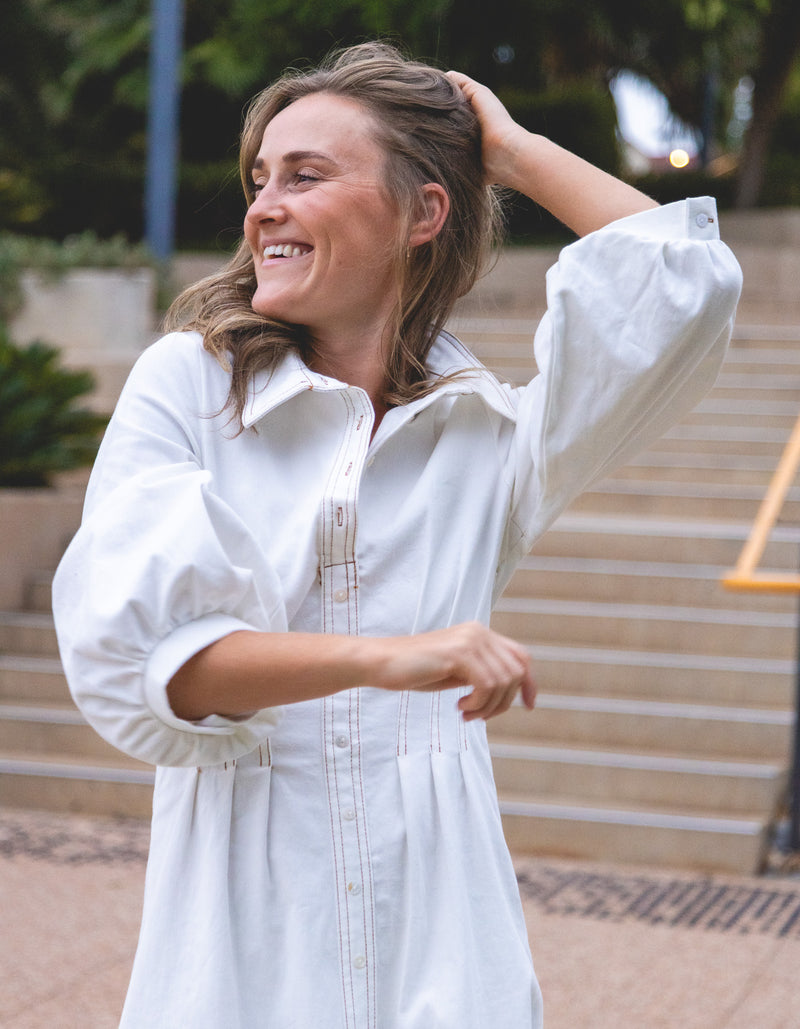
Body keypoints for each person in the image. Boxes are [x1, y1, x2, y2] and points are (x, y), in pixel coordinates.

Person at [52, 41, 741, 1029]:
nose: (262, 208)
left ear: (423, 213)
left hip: (445, 945)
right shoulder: (190, 387)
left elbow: (679, 284)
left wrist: (510, 150)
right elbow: (149, 660)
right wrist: (387, 657)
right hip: (245, 942)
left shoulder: (489, 435)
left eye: (306, 175)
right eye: (259, 180)